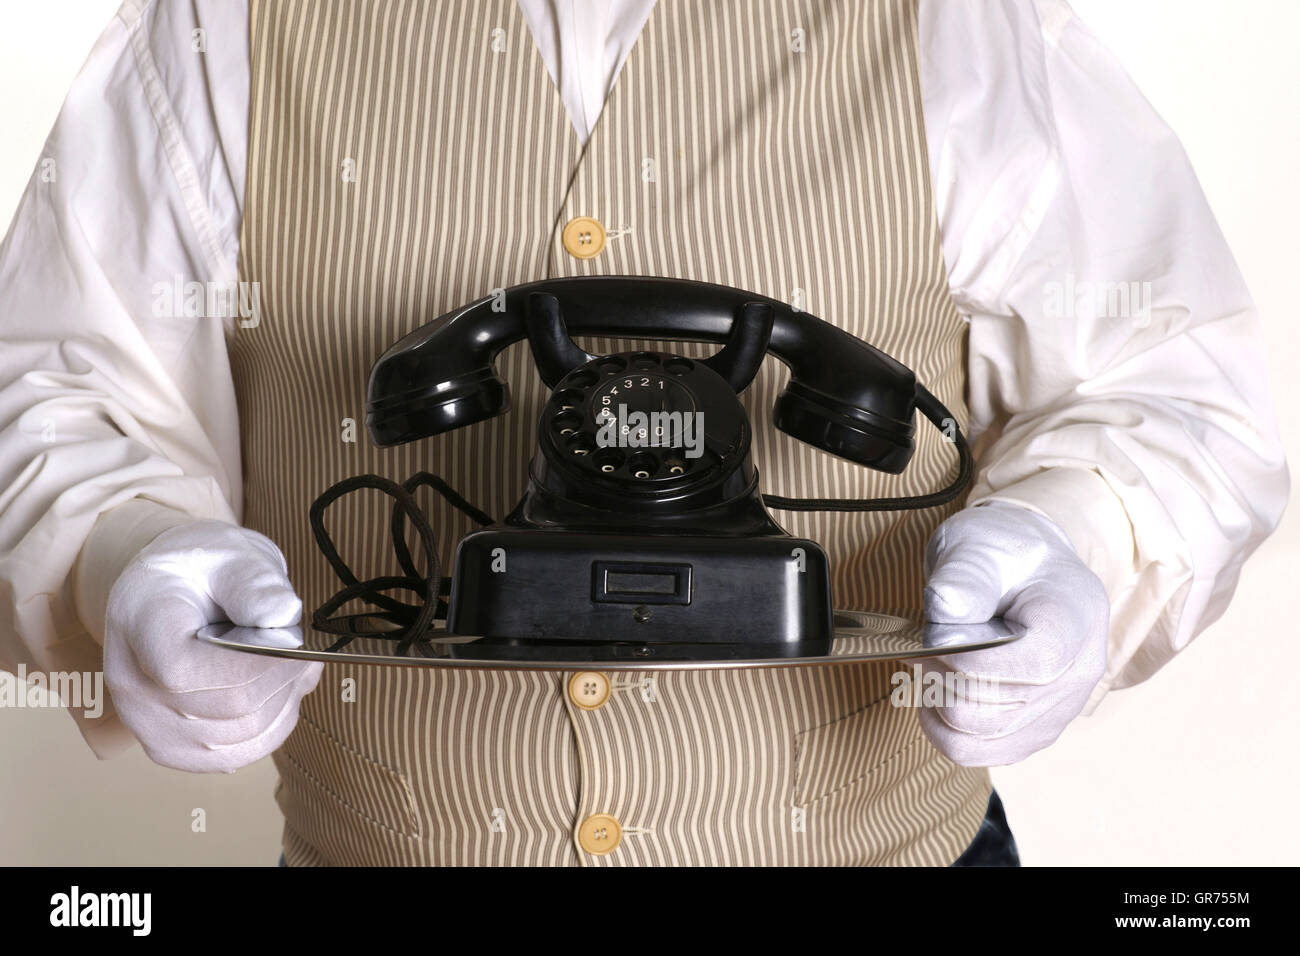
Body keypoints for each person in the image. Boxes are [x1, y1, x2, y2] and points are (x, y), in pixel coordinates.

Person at [0, 0, 1287, 866]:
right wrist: (136, 559)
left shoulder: (956, 25)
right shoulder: (216, 27)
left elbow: (1169, 381)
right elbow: (58, 396)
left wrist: (1072, 538)